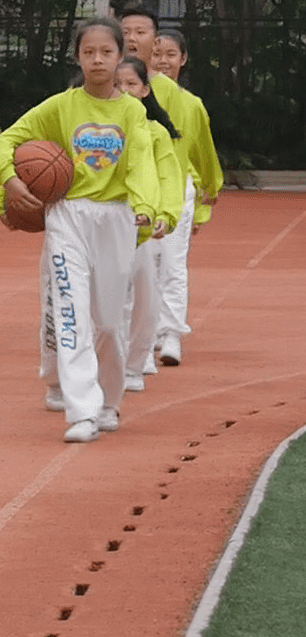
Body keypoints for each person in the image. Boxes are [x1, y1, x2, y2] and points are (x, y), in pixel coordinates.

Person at [0, 18, 158, 442]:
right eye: (89, 52)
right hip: (68, 214)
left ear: (121, 56)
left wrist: (144, 205)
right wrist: (10, 180)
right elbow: (5, 141)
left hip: (116, 217)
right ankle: (81, 410)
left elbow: (141, 160)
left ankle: (108, 402)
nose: (98, 60)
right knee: (71, 311)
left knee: (107, 321)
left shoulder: (132, 110)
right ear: (78, 57)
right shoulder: (60, 106)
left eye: (106, 52)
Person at [146, 29, 221, 366]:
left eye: (170, 54)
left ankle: (171, 334)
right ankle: (143, 336)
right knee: (144, 265)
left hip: (178, 190)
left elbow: (205, 155)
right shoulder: (132, 98)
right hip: (142, 191)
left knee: (173, 264)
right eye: (157, 54)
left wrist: (206, 200)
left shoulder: (192, 105)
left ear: (183, 59)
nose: (163, 61)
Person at [113, 56, 183, 394]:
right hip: (109, 220)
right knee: (111, 296)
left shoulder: (156, 133)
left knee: (145, 295)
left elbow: (170, 177)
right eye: (118, 84)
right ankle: (114, 361)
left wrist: (165, 214)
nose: (124, 91)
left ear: (144, 90)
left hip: (146, 224)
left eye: (131, 84)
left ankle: (137, 361)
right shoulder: (101, 129)